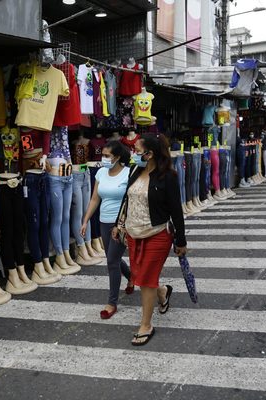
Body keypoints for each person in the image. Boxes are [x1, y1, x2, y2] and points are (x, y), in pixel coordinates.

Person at [113, 134, 187, 346]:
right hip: (134, 235)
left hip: (157, 234)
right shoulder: (136, 171)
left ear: (150, 154)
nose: (133, 154)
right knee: (139, 276)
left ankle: (146, 325)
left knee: (145, 279)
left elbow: (176, 211)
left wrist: (181, 241)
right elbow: (127, 199)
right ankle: (162, 292)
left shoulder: (168, 176)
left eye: (136, 150)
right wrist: (119, 225)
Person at [80, 141, 133, 319]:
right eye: (102, 155)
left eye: (107, 156)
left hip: (121, 224)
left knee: (111, 261)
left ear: (117, 157)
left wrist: (123, 224)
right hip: (104, 221)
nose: (103, 159)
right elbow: (95, 199)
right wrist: (85, 220)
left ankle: (112, 303)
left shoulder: (128, 173)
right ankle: (132, 278)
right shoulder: (102, 172)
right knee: (113, 257)